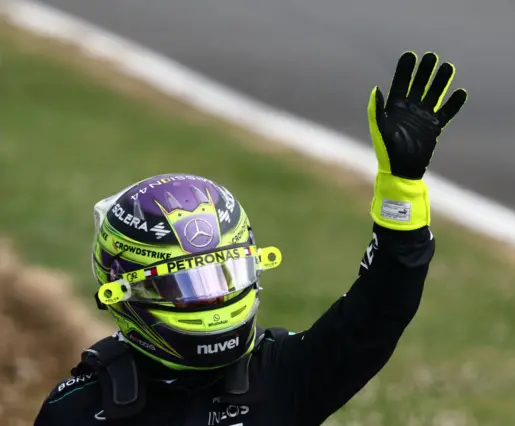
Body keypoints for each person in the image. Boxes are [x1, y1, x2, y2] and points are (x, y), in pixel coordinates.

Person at [34, 50, 467, 426]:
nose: (214, 301)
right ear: (126, 291)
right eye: (189, 287)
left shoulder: (277, 374)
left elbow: (379, 313)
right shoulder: (77, 413)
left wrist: (402, 190)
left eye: (224, 276)